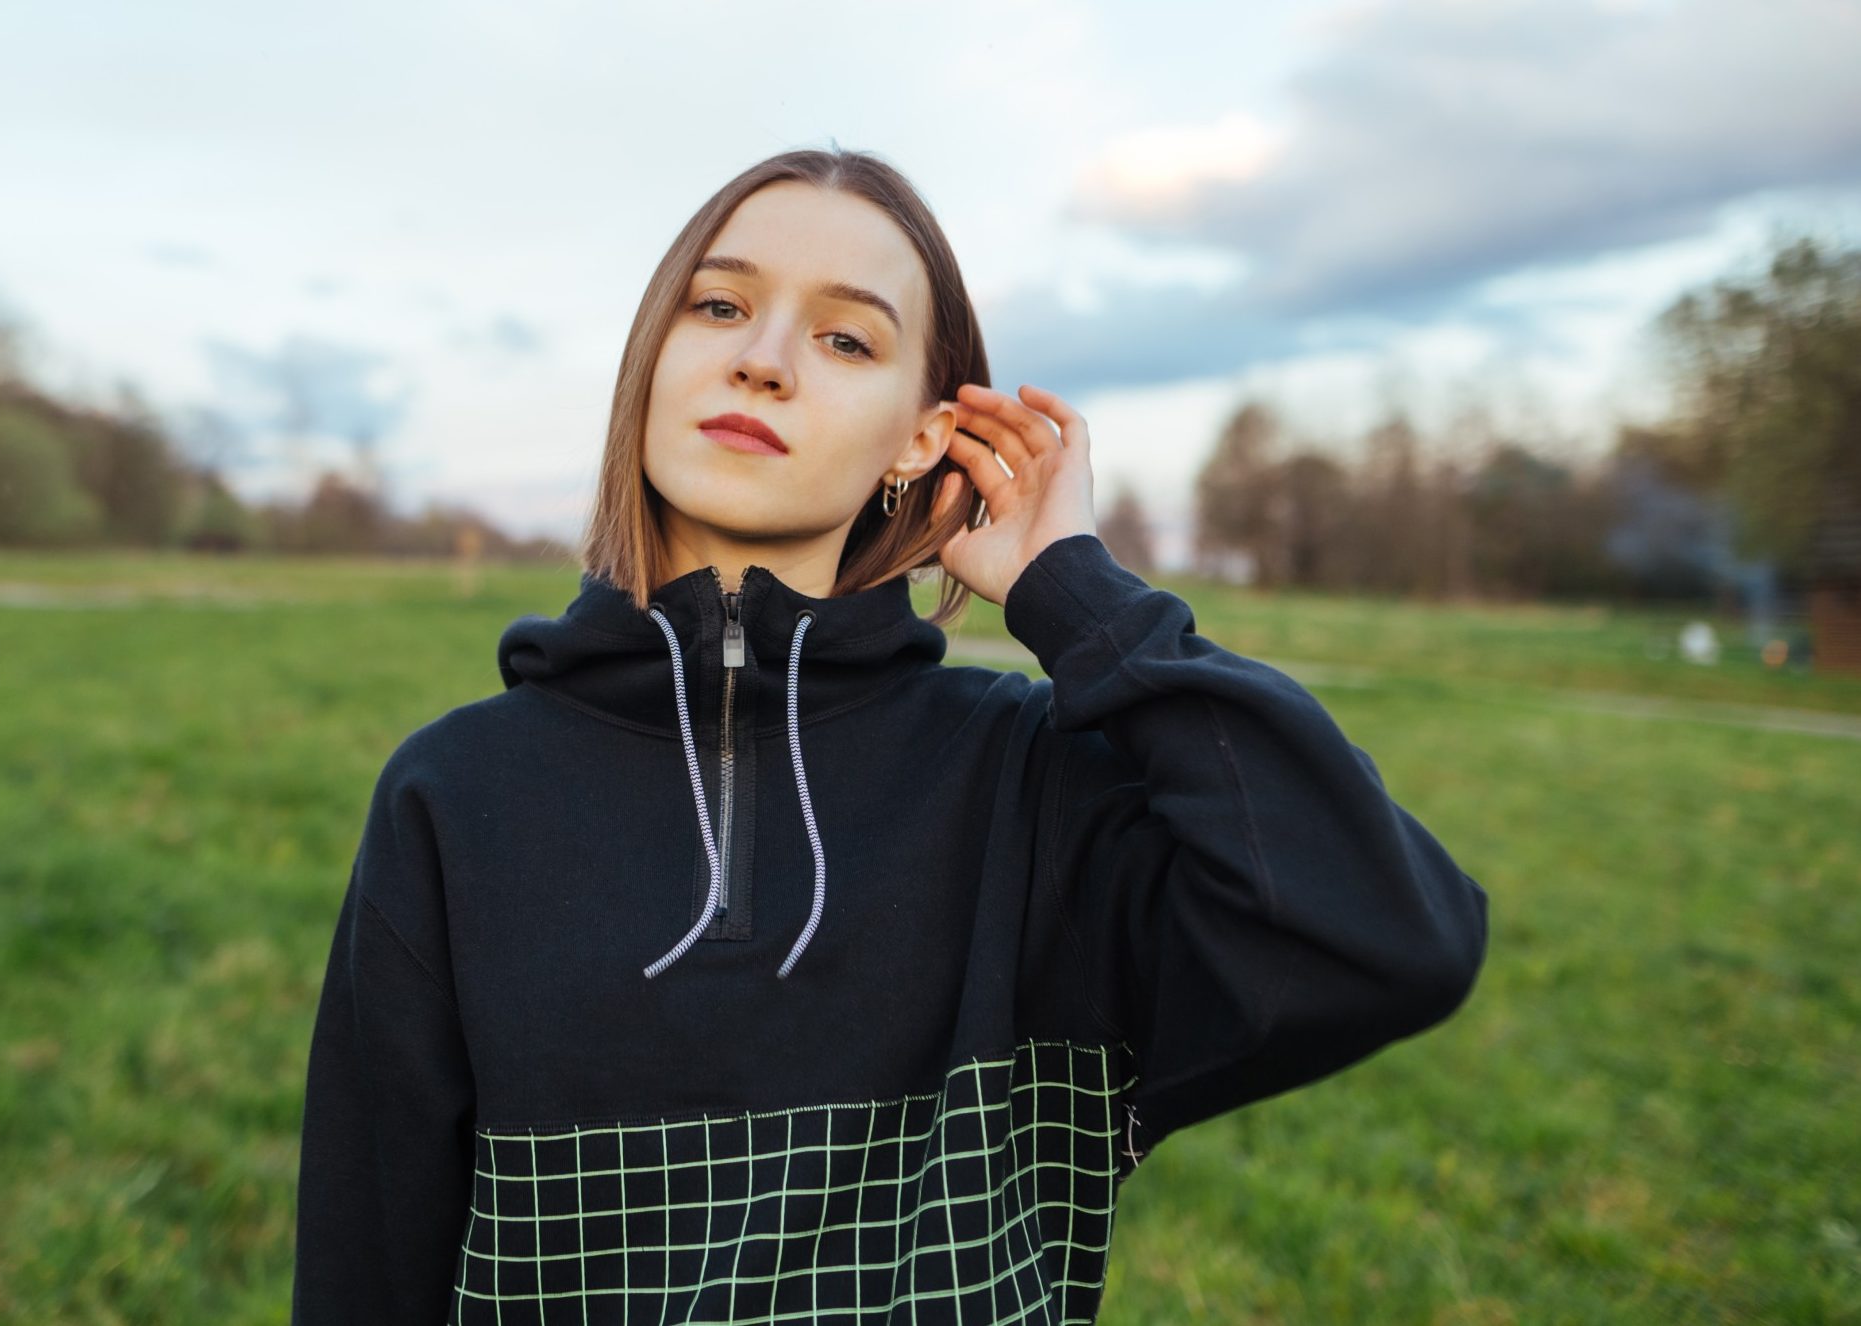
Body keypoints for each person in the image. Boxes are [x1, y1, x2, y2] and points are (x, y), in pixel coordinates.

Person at [290, 146, 1489, 1325]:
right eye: (719, 305)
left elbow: (1384, 936)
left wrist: (1073, 599)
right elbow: (368, 1265)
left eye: (844, 338)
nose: (760, 362)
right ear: (651, 357)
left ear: (923, 440)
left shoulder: (1032, 785)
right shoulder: (454, 796)